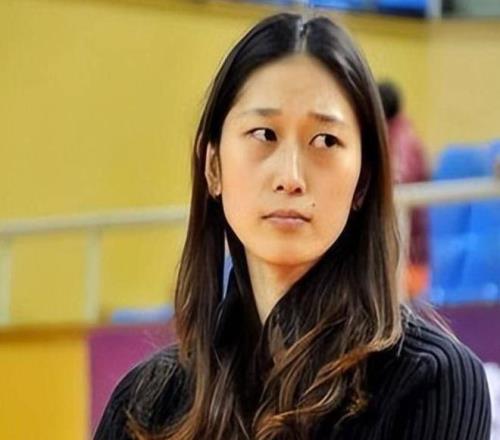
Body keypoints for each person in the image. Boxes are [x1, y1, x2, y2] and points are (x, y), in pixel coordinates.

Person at [94, 13, 491, 439]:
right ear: (213, 166)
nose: (291, 176)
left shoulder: (431, 383)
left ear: (363, 181)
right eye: (264, 134)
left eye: (325, 141)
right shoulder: (146, 402)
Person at [378, 81, 430, 297]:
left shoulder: (402, 139)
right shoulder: (390, 133)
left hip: (410, 249)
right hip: (395, 242)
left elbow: (398, 180)